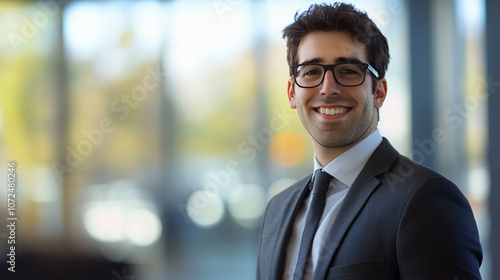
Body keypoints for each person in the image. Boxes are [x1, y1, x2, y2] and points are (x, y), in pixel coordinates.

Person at [256, 3, 482, 280]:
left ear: (379, 92)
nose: (328, 88)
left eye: (349, 70)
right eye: (312, 71)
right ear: (292, 92)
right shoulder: (278, 209)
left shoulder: (427, 200)